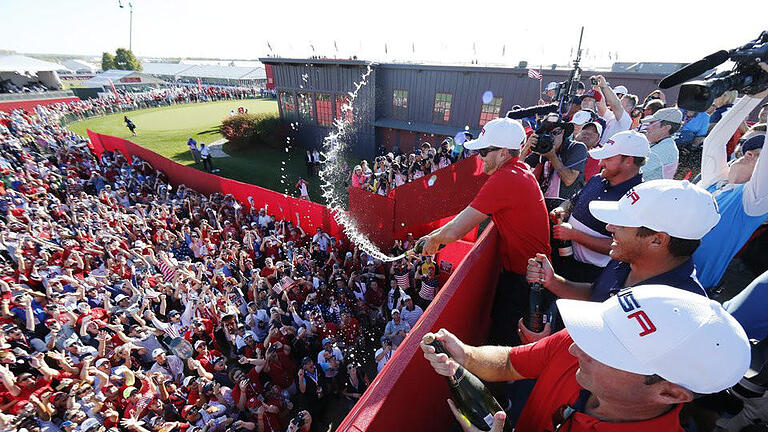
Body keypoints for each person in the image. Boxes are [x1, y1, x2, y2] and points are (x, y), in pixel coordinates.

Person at [420, 285, 750, 432]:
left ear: (670, 393)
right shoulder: (578, 346)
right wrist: (467, 355)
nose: (576, 348)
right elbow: (508, 362)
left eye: (608, 349)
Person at [523, 179, 721, 341]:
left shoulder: (680, 316)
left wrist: (551, 349)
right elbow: (596, 295)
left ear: (657, 240)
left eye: (622, 224)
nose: (609, 227)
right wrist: (553, 281)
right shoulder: (628, 256)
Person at [418, 117, 550, 346]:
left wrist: (431, 240)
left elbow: (456, 230)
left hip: (524, 282)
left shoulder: (505, 178)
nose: (479, 157)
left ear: (502, 153)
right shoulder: (516, 170)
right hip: (526, 275)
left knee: (505, 343)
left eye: (483, 151)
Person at [693, 84, 768, 291]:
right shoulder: (714, 181)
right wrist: (755, 94)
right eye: (748, 149)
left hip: (693, 288)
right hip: (653, 271)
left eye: (759, 155)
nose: (749, 153)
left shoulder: (752, 202)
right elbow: (714, 141)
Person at [550, 130, 648, 283]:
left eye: (607, 159)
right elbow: (574, 200)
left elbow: (623, 247)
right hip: (566, 257)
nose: (600, 163)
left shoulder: (637, 198)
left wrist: (574, 235)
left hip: (592, 274)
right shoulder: (597, 178)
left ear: (628, 160)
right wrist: (562, 210)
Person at [521, 113, 588, 201]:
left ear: (563, 132)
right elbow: (516, 169)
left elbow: (569, 180)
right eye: (547, 133)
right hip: (542, 202)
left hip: (564, 206)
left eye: (555, 132)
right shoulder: (543, 147)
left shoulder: (576, 148)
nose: (551, 137)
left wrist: (552, 156)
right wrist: (526, 148)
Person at [640, 107, 683, 180]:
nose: (647, 127)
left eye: (652, 123)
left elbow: (631, 173)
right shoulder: (663, 144)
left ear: (666, 128)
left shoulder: (664, 149)